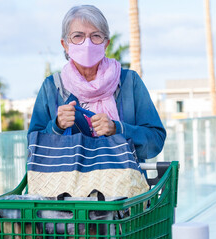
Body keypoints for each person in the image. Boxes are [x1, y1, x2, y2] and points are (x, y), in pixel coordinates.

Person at [28, 5, 166, 162]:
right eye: (78, 36)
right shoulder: (51, 87)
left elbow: (156, 140)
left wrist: (117, 128)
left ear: (106, 43)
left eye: (96, 36)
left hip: (123, 183)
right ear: (65, 44)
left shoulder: (129, 81)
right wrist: (57, 126)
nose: (87, 44)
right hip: (67, 184)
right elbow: (33, 147)